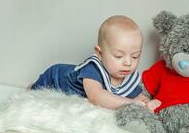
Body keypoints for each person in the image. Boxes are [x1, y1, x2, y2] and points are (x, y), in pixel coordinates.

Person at [28, 15, 161, 112]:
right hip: (55, 77)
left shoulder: (127, 76)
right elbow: (97, 97)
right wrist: (131, 103)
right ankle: (32, 86)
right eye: (118, 56)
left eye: (135, 56)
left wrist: (146, 103)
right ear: (100, 53)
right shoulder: (93, 69)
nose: (128, 62)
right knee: (34, 94)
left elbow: (137, 95)